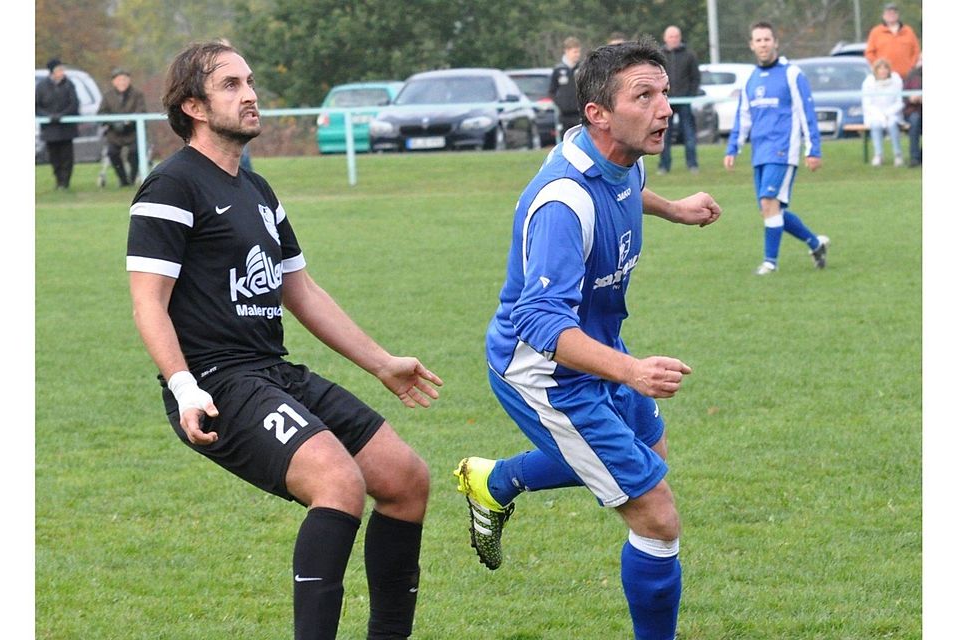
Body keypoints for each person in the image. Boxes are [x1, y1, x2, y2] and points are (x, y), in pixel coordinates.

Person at [126, 41, 443, 640]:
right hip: (216, 383)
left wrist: (381, 363)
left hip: (270, 369)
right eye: (230, 85)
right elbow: (149, 303)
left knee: (405, 480)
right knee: (338, 483)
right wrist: (185, 387)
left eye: (249, 82)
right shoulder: (171, 187)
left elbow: (299, 288)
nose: (249, 95)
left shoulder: (257, 188)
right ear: (193, 105)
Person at [454, 38, 721, 640]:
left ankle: (494, 481)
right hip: (544, 372)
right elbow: (541, 323)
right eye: (645, 96)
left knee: (650, 457)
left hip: (595, 353)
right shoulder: (561, 201)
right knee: (656, 515)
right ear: (598, 113)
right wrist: (630, 371)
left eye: (664, 93)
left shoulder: (621, 157)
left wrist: (673, 209)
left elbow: (625, 190)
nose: (665, 109)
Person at [724, 21, 829, 276]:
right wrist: (733, 147)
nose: (763, 44)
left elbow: (807, 113)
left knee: (768, 202)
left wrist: (813, 149)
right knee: (771, 209)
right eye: (758, 40)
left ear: (775, 42)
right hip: (760, 152)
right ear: (751, 45)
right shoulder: (750, 78)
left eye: (767, 39)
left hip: (783, 149)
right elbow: (744, 116)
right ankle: (815, 243)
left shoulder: (792, 74)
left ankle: (770, 262)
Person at [658, 26, 700, 175]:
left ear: (680, 37)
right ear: (665, 38)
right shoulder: (659, 56)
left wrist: (691, 94)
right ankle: (664, 166)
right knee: (664, 135)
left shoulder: (689, 55)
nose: (674, 39)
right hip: (665, 102)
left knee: (689, 134)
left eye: (676, 36)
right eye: (671, 36)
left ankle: (692, 165)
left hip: (684, 101)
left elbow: (695, 77)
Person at [98, 68, 147, 186]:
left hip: (133, 132)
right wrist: (113, 123)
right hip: (114, 134)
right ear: (113, 81)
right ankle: (123, 179)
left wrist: (128, 122)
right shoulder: (107, 96)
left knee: (134, 152)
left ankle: (132, 177)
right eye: (119, 79)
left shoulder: (137, 94)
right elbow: (101, 114)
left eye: (124, 79)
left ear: (129, 80)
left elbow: (141, 111)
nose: (122, 82)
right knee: (112, 152)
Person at [36, 58, 79, 190]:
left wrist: (62, 116)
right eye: (59, 69)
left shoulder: (69, 85)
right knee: (54, 157)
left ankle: (65, 183)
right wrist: (48, 116)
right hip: (50, 130)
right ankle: (58, 180)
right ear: (52, 72)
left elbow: (74, 104)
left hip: (66, 129)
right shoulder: (41, 86)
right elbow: (36, 106)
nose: (62, 72)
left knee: (67, 157)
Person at [861, 58, 904, 168]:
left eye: (885, 68)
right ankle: (878, 155)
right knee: (876, 125)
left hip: (893, 114)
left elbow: (899, 102)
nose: (883, 71)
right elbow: (867, 104)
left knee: (892, 124)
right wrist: (880, 115)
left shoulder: (896, 80)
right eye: (880, 69)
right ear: (876, 70)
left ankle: (898, 154)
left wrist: (888, 113)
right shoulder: (868, 82)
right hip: (874, 114)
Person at [865, 3, 921, 79]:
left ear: (898, 15)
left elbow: (916, 51)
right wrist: (879, 67)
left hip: (906, 77)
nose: (891, 15)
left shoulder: (908, 31)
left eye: (894, 13)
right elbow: (869, 53)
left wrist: (911, 66)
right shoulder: (876, 32)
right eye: (888, 13)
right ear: (883, 16)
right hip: (885, 78)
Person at [548, 36, 583, 137]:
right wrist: (560, 104)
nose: (577, 55)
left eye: (578, 52)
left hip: (579, 114)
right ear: (567, 51)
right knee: (565, 141)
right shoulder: (559, 70)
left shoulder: (582, 69)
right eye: (575, 52)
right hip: (564, 115)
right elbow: (552, 91)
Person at [902, 55, 922, 168]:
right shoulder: (912, 75)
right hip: (913, 110)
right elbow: (903, 96)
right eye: (921, 60)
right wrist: (911, 98)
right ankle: (914, 158)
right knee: (914, 120)